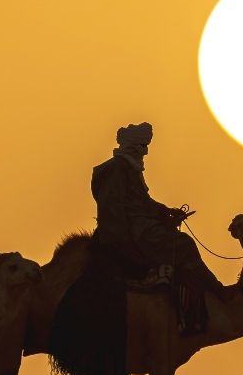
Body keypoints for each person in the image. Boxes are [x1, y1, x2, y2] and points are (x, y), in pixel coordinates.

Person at [90, 122, 225, 298]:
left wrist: (165, 212)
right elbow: (116, 209)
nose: (145, 152)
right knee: (184, 245)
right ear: (133, 145)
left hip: (141, 225)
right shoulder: (116, 169)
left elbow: (142, 202)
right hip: (133, 230)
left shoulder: (129, 168)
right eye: (143, 146)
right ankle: (216, 292)